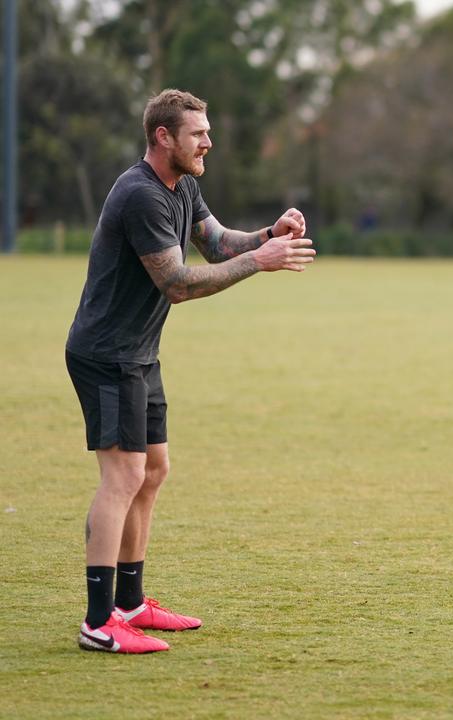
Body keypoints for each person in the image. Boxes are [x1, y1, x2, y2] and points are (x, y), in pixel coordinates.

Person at [66, 89, 316, 653]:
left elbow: (220, 245)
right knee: (123, 476)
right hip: (106, 353)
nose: (209, 141)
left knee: (153, 470)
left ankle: (130, 603)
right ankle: (97, 621)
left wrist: (267, 237)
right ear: (163, 137)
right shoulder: (140, 195)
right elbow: (176, 284)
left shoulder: (184, 186)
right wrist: (262, 262)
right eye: (198, 133)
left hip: (138, 351)